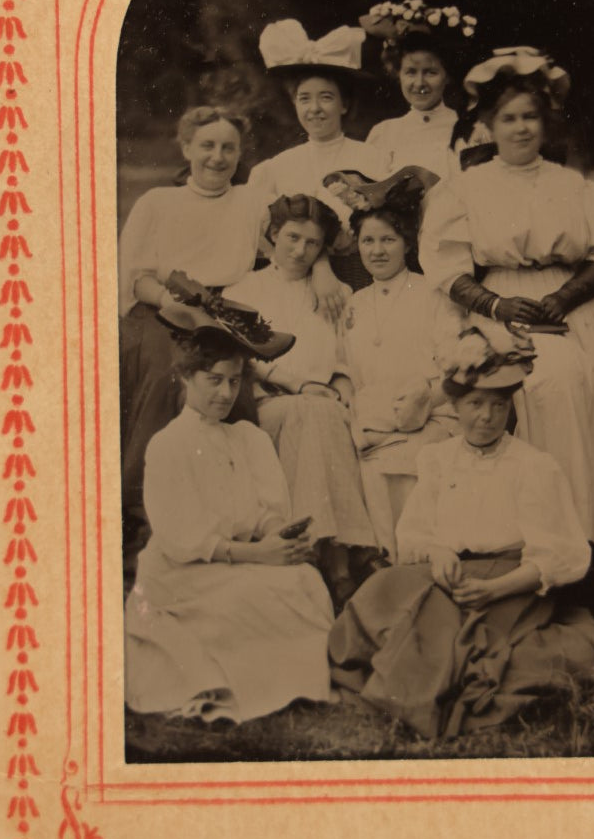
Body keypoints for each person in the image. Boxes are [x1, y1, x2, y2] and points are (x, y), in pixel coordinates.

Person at [329, 327, 594, 740]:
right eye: (475, 404)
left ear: (511, 408)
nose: (486, 416)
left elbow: (560, 555)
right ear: (456, 407)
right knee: (381, 589)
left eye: (498, 405)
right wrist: (437, 550)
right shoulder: (437, 459)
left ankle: (412, 694)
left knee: (454, 634)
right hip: (451, 571)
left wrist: (496, 590)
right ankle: (397, 668)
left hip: (512, 582)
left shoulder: (533, 465)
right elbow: (415, 530)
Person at [419, 55, 594, 571]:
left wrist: (564, 297)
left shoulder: (574, 187)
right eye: (510, 118)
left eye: (530, 117)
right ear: (489, 125)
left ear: (545, 123)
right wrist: (495, 305)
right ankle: (535, 542)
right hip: (499, 304)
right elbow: (443, 263)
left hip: (572, 308)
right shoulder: (464, 189)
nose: (521, 128)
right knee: (545, 385)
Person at [124, 315, 335, 723]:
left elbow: (269, 513)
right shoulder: (169, 445)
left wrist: (281, 538)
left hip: (243, 558)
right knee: (251, 599)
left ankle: (292, 685)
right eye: (214, 380)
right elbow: (181, 540)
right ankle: (250, 687)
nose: (225, 393)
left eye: (235, 382)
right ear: (187, 378)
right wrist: (261, 556)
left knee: (304, 581)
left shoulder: (248, 439)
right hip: (183, 572)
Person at [118, 104, 266, 541]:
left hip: (228, 314)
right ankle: (140, 512)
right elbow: (136, 277)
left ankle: (228, 514)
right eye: (206, 146)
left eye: (228, 148)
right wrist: (174, 304)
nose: (217, 158)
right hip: (163, 309)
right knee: (174, 376)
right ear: (186, 148)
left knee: (231, 390)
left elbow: (299, 240)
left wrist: (321, 270)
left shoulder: (252, 203)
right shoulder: (158, 202)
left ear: (240, 155)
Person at [230, 194, 379, 605]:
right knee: (307, 411)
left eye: (312, 244)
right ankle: (340, 562)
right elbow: (246, 355)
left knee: (321, 413)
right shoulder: (246, 288)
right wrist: (297, 385)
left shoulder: (336, 294)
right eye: (292, 238)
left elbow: (345, 357)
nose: (300, 250)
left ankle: (322, 555)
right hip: (269, 399)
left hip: (324, 401)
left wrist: (344, 391)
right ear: (274, 235)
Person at [334, 175, 465, 561]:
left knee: (408, 460)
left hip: (429, 417)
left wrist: (423, 401)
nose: (377, 251)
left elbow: (455, 367)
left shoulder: (433, 294)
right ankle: (379, 563)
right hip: (371, 424)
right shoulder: (353, 302)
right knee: (362, 462)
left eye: (388, 240)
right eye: (368, 241)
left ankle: (412, 561)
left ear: (407, 243)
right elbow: (344, 369)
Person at [251, 20, 386, 287]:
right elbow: (262, 238)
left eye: (326, 97)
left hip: (357, 279)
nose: (315, 108)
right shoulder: (276, 168)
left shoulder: (372, 158)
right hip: (293, 282)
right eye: (304, 99)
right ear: (294, 104)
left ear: (344, 104)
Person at [360, 0, 477, 179]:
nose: (419, 83)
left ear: (447, 76)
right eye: (411, 72)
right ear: (398, 74)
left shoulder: (467, 129)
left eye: (431, 72)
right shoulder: (384, 133)